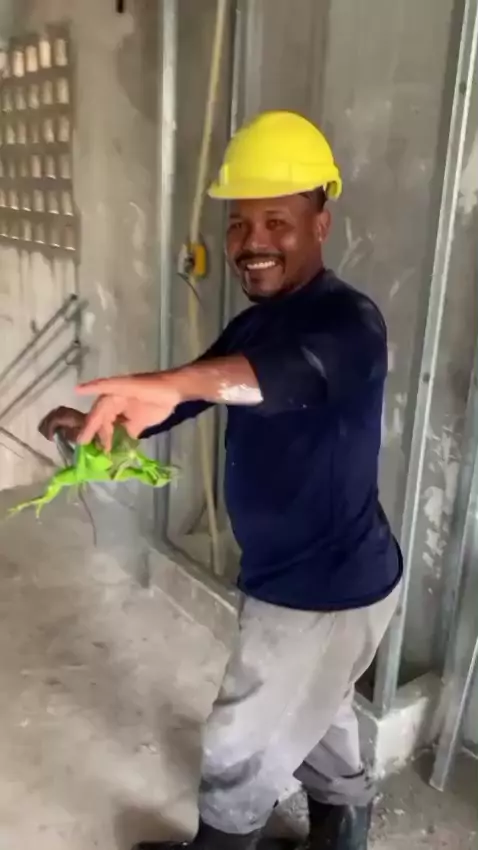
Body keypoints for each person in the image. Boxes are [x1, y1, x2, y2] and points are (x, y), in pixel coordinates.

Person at [39, 111, 402, 850]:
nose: (251, 242)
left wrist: (179, 383)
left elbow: (289, 375)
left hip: (322, 589)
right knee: (320, 710)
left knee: (238, 744)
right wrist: (112, 427)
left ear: (321, 224)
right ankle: (344, 829)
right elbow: (204, 387)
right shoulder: (255, 325)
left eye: (277, 222)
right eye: (239, 223)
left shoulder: (350, 322)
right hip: (304, 577)